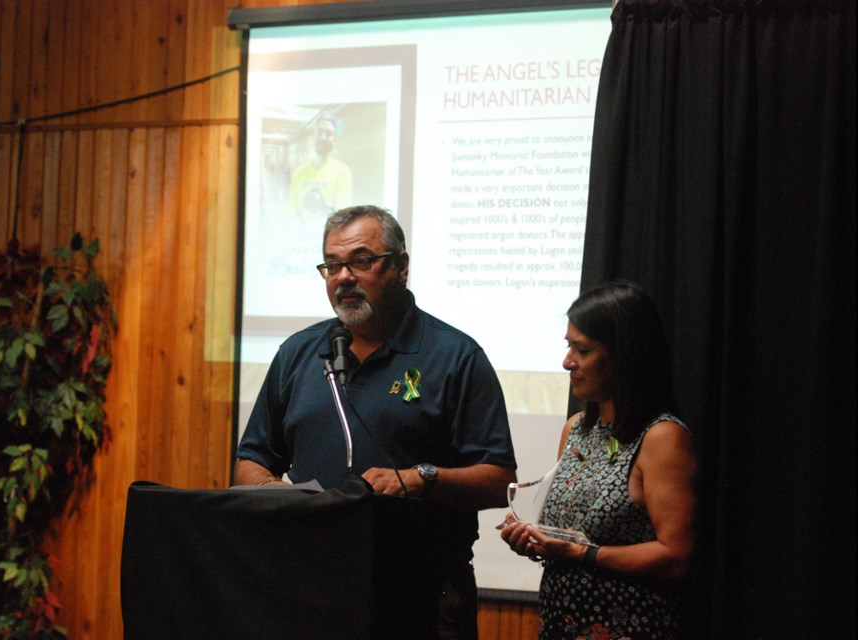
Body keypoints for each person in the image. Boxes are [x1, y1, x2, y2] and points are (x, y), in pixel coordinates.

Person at [236, 205, 517, 639]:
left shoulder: (455, 357)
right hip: (309, 591)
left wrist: (421, 478)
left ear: (401, 266)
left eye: (361, 261)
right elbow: (250, 460)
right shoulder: (299, 353)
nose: (343, 277)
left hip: (421, 597)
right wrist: (272, 491)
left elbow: (499, 480)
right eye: (332, 265)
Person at [500, 281, 697, 639]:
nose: (566, 362)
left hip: (630, 628)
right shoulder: (576, 429)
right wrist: (533, 541)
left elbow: (677, 555)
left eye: (582, 349)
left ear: (624, 355)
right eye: (568, 346)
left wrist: (584, 553)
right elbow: (569, 540)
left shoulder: (661, 437)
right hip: (562, 626)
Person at [289, 118, 353, 221]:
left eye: (328, 133)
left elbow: (343, 215)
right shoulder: (299, 173)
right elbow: (292, 212)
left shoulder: (343, 172)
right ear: (313, 137)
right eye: (319, 132)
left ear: (335, 140)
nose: (323, 137)